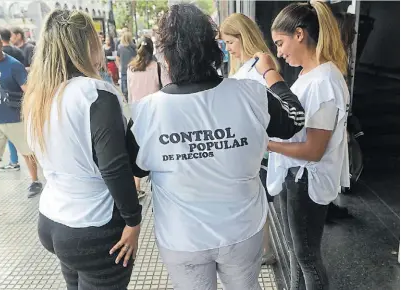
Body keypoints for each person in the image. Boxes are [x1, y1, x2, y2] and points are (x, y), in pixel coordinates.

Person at [130, 4, 305, 289]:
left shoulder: (146, 113)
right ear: (214, 47)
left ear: (166, 55)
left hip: (183, 237)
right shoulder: (251, 94)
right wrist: (271, 73)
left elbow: (134, 167)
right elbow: (295, 119)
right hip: (241, 230)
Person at [22, 10, 141, 289]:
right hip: (94, 226)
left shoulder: (38, 94)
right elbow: (114, 167)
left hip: (53, 219)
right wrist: (133, 220)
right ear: (86, 44)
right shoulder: (94, 94)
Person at [266, 2, 350, 289]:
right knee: (297, 253)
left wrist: (269, 146)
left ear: (299, 34)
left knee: (307, 257)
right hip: (297, 175)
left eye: (280, 43)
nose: (279, 52)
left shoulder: (323, 81)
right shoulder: (309, 75)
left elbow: (314, 150)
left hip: (306, 179)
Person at [220, 12, 280, 267]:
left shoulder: (258, 68)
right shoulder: (248, 66)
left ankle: (263, 249)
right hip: (251, 147)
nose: (228, 49)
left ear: (243, 37)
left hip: (259, 148)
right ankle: (261, 248)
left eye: (231, 43)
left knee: (256, 202)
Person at [0, 28, 43, 212]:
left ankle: (35, 180)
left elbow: (28, 90)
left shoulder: (13, 65)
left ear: (0, 43)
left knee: (27, 153)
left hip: (15, 119)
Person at [127, 36, 170, 199]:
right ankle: (158, 187)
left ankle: (136, 187)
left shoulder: (130, 68)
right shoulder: (158, 68)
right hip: (155, 117)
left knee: (138, 153)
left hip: (137, 117)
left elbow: (130, 95)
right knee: (157, 153)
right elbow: (167, 91)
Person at [0, 27, 25, 172]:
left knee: (10, 132)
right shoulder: (18, 51)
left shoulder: (0, 55)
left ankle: (14, 160)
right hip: (20, 94)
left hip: (6, 98)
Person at [116, 32, 136, 101]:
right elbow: (135, 58)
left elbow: (117, 58)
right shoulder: (133, 48)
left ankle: (125, 98)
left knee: (124, 85)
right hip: (132, 69)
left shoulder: (120, 48)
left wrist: (119, 66)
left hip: (124, 69)